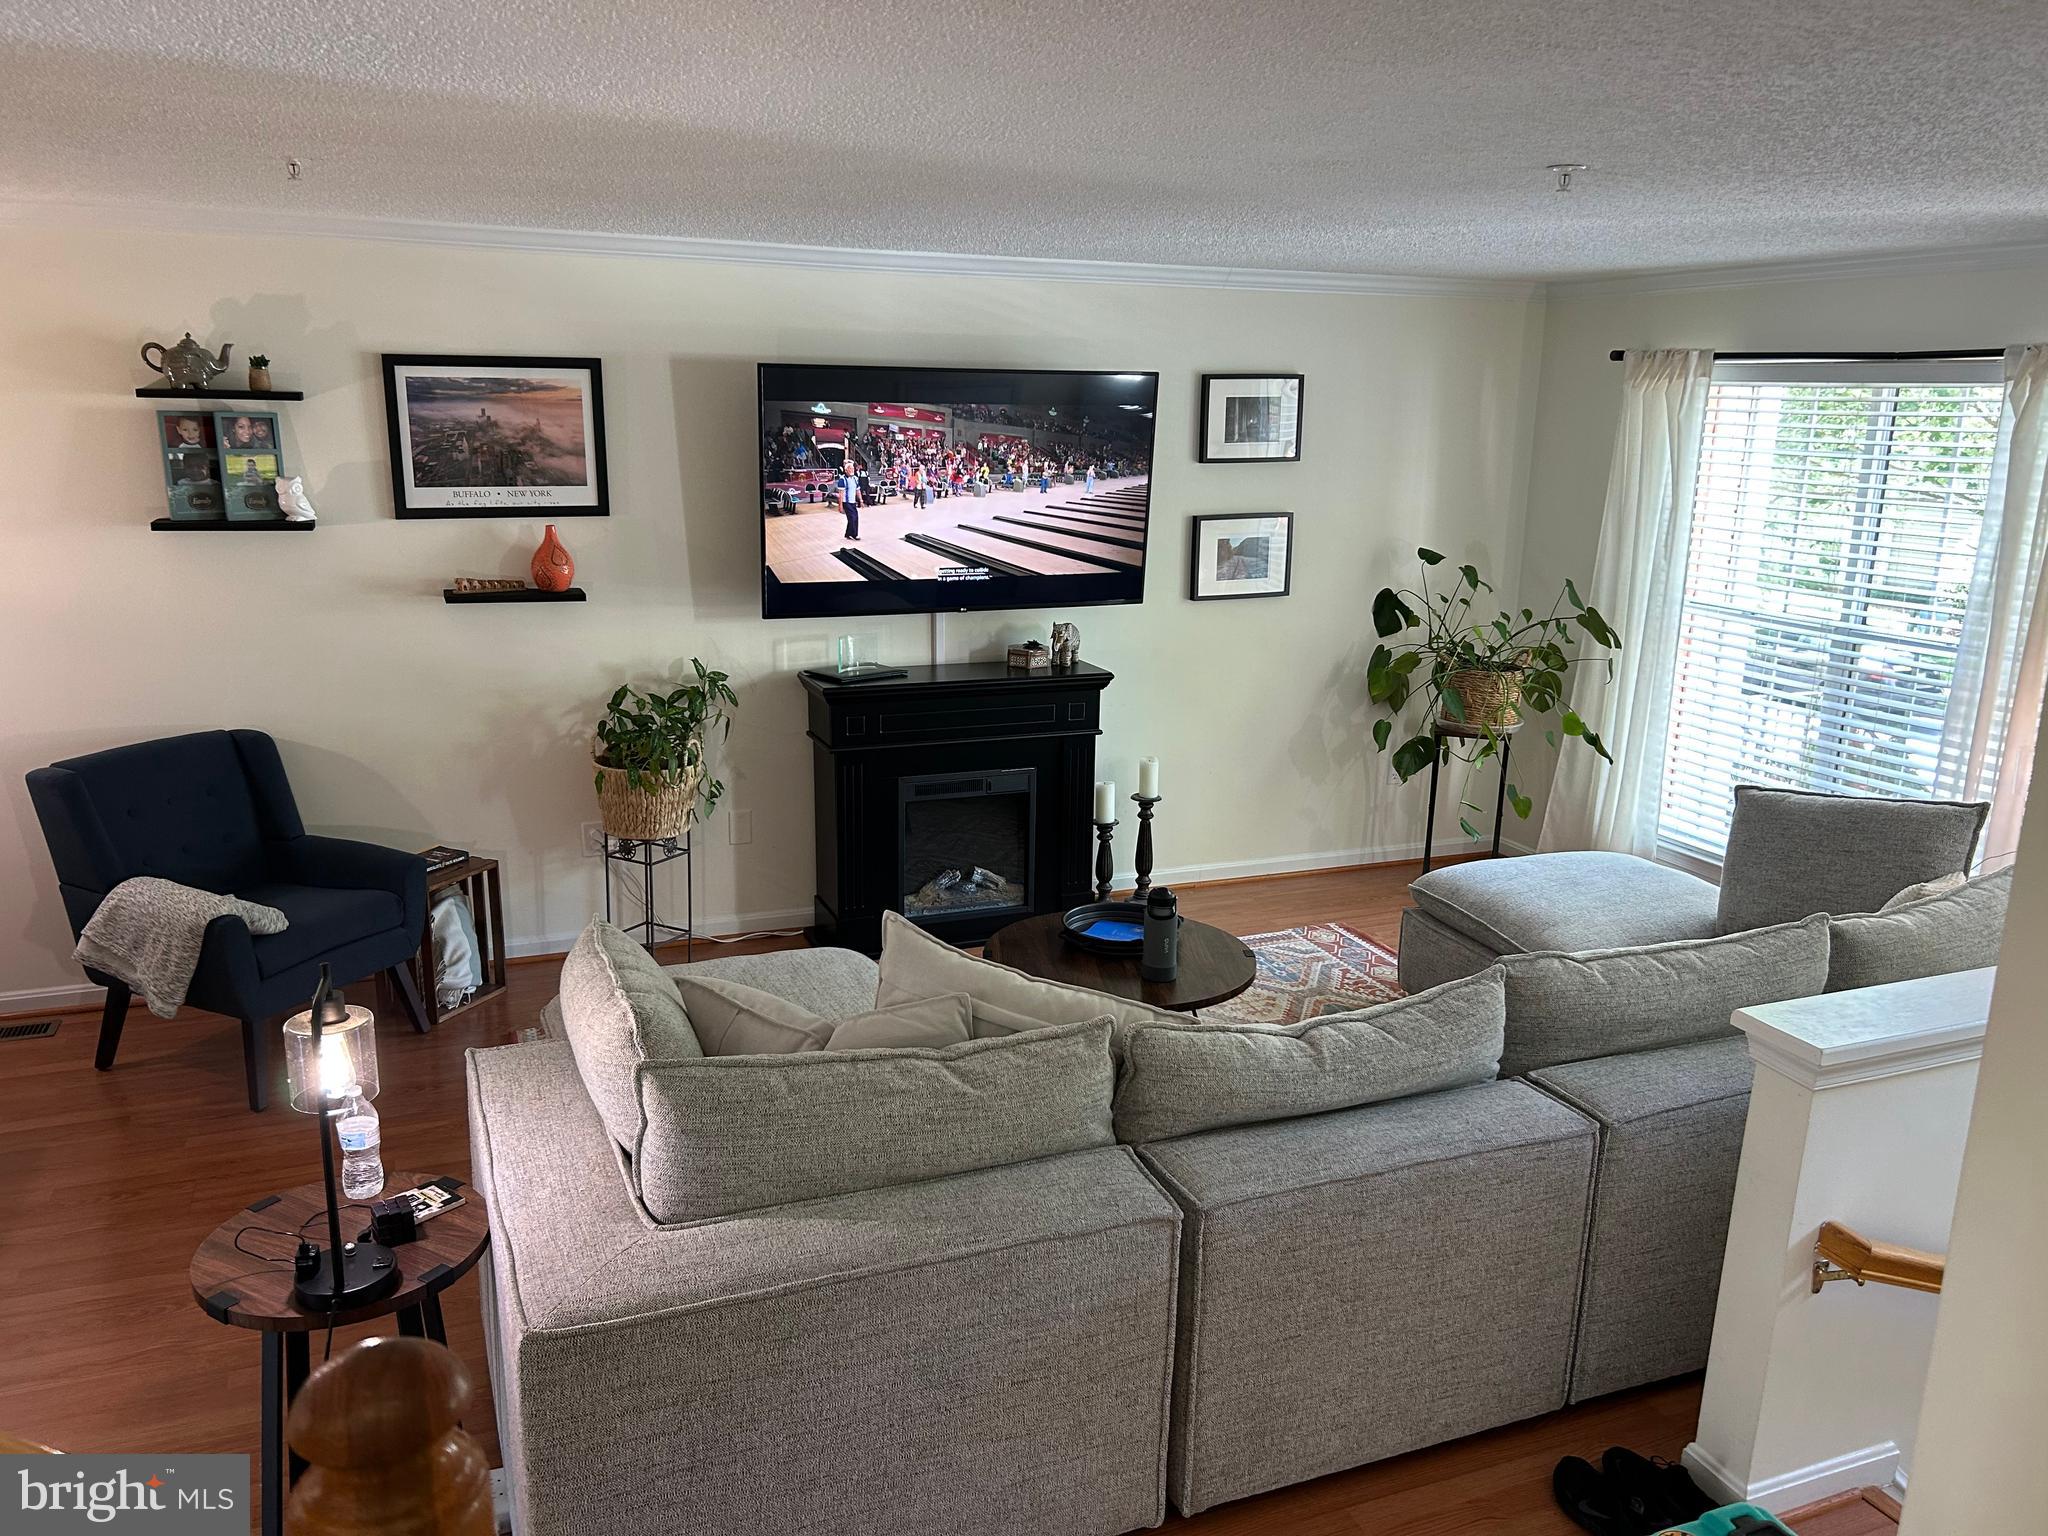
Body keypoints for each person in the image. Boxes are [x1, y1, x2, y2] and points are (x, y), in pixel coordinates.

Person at [839, 462, 861, 541]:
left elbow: (858, 490)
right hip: (846, 502)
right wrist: (840, 506)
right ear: (846, 470)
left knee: (855, 517)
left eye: (853, 468)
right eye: (850, 468)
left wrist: (861, 500)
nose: (852, 470)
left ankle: (848, 534)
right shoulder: (842, 479)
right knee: (852, 518)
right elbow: (841, 494)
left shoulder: (855, 478)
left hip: (853, 502)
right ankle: (853, 535)